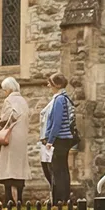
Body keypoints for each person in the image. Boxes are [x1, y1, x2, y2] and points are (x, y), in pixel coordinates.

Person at [41, 74, 77, 203]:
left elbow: (56, 122)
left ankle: (61, 199)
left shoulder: (59, 100)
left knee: (58, 169)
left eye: (50, 83)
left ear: (57, 85)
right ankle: (64, 198)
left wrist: (50, 140)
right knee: (62, 169)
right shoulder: (65, 98)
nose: (48, 85)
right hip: (65, 139)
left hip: (61, 139)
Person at [0, 78, 31, 204]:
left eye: (4, 90)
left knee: (8, 169)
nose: (4, 92)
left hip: (10, 138)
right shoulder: (23, 101)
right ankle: (19, 198)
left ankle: (9, 198)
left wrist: (0, 122)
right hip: (21, 138)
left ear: (9, 89)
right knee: (19, 169)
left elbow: (8, 115)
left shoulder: (9, 100)